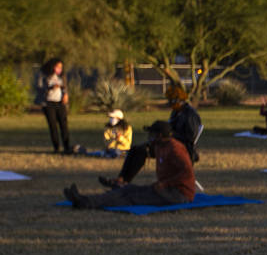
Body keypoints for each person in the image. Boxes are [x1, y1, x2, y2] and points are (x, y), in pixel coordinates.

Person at [64, 121, 194, 209]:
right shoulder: (159, 146)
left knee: (132, 198)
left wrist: (164, 184)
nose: (150, 137)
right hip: (164, 189)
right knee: (126, 190)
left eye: (152, 134)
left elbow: (186, 172)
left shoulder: (176, 149)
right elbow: (141, 151)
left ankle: (86, 203)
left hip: (179, 194)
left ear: (160, 135)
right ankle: (85, 199)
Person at [101, 84, 201, 189]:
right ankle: (121, 179)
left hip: (179, 147)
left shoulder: (190, 115)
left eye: (171, 101)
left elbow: (189, 137)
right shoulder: (176, 112)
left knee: (142, 151)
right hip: (167, 143)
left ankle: (125, 181)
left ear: (178, 100)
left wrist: (170, 137)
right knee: (135, 149)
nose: (170, 104)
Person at [37, 57, 71, 154]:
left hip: (60, 103)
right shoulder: (44, 75)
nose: (59, 69)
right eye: (57, 67)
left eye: (61, 67)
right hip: (48, 103)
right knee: (53, 126)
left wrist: (65, 94)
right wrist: (50, 88)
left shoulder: (61, 76)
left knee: (64, 125)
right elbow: (40, 88)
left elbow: (65, 87)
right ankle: (56, 147)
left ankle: (67, 147)